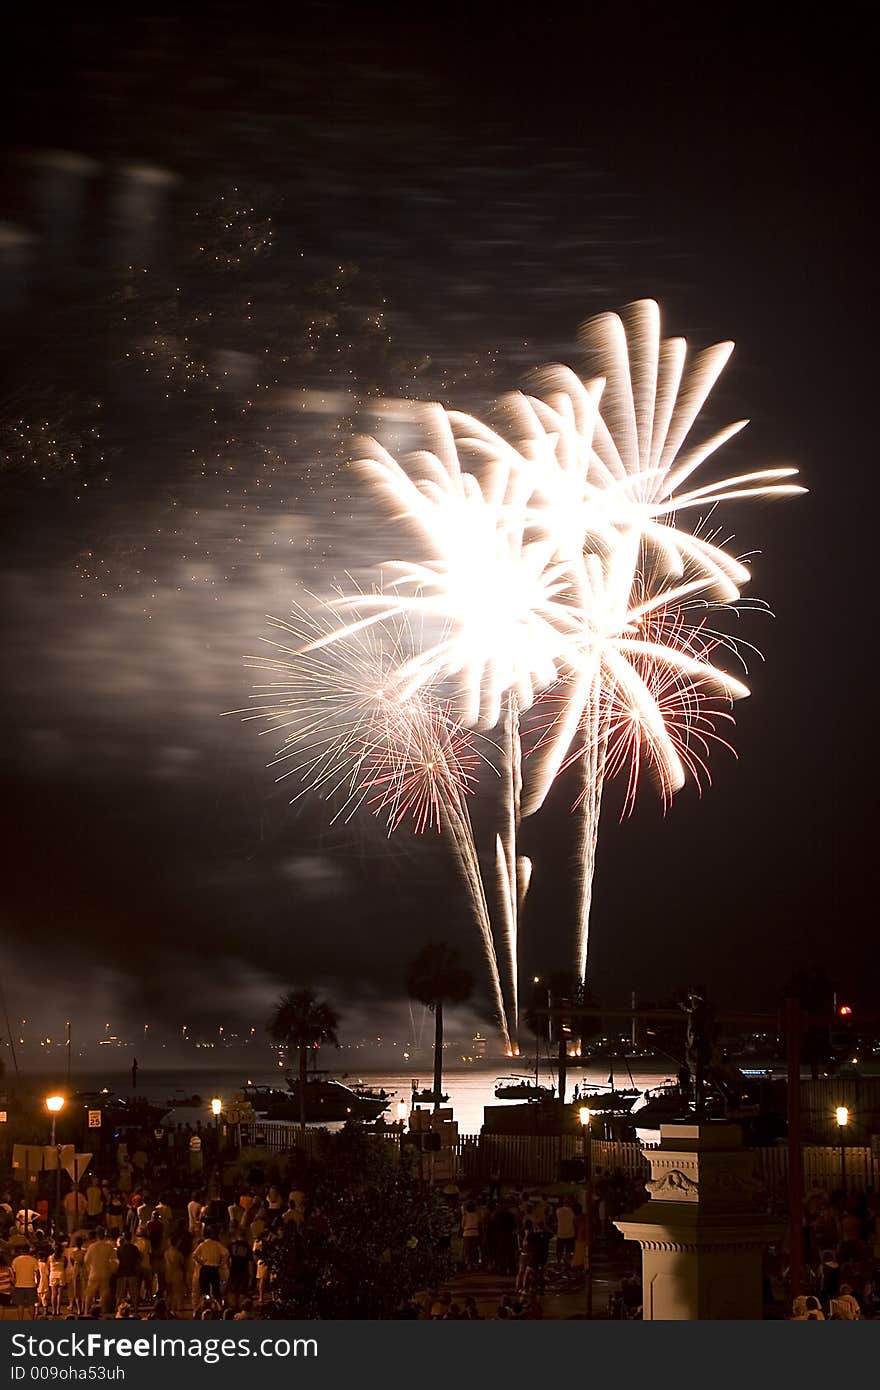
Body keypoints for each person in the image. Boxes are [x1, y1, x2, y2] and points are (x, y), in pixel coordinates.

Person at [84, 1229, 118, 1316]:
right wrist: (111, 1270)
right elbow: (114, 1260)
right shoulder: (108, 1246)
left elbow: (86, 1260)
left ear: (97, 1236)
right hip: (105, 1273)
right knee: (104, 1294)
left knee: (89, 1294)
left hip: (94, 1273)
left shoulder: (92, 1247)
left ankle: (86, 1312)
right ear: (105, 1235)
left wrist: (90, 1269)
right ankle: (102, 1312)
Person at [192, 1232, 228, 1305]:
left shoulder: (202, 1244)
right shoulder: (217, 1244)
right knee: (216, 1289)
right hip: (214, 1269)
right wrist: (221, 1263)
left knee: (205, 1289)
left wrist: (201, 1262)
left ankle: (205, 1304)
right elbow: (226, 1253)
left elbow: (194, 1255)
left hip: (205, 1268)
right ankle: (218, 1305)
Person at [115, 1235, 143, 1311]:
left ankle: (117, 1309)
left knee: (120, 1294)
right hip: (132, 1273)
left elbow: (116, 1260)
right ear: (131, 1239)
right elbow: (139, 1259)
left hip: (122, 1273)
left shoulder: (120, 1249)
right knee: (134, 1293)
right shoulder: (134, 1248)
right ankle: (136, 1309)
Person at [11, 1247, 40, 1320]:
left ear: (21, 1251)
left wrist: (14, 1282)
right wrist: (38, 1283)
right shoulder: (33, 1260)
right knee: (31, 1304)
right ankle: (31, 1320)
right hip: (31, 1284)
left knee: (20, 1304)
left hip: (19, 1285)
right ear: (28, 1251)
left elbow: (13, 1273)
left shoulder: (15, 1260)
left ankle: (20, 1320)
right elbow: (37, 1273)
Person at [554, 1198, 576, 1268]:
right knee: (568, 1250)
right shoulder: (572, 1211)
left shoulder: (558, 1210)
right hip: (570, 1233)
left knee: (559, 1250)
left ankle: (559, 1262)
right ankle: (567, 1262)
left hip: (560, 1233)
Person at [48, 1244, 68, 1317]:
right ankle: (58, 1310)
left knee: (53, 1294)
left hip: (53, 1275)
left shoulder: (50, 1258)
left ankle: (53, 1310)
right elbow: (65, 1266)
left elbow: (48, 1266)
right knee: (60, 1294)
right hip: (61, 1274)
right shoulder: (64, 1258)